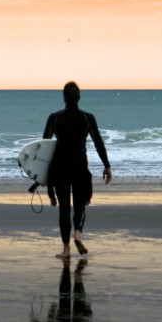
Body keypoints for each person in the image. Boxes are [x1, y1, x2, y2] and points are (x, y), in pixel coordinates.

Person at [43, 81, 112, 259]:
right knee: (80, 203)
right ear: (78, 97)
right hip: (80, 166)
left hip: (60, 167)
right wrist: (107, 166)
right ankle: (78, 234)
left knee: (64, 208)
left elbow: (44, 147)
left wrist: (43, 176)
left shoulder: (54, 118)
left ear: (64, 97)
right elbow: (98, 143)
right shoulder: (88, 118)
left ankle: (66, 250)